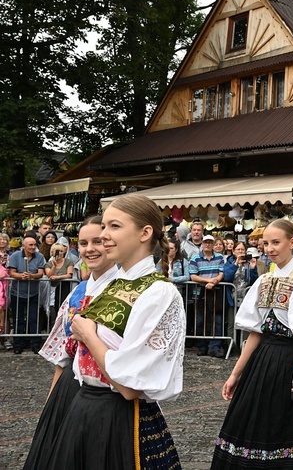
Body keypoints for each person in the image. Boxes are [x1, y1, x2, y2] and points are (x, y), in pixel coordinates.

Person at [46, 194, 185, 469]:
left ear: (145, 233)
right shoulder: (110, 285)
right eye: (105, 226)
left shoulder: (159, 292)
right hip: (84, 404)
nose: (105, 235)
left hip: (121, 417)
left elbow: (128, 387)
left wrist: (88, 335)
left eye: (115, 226)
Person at [211, 220, 293, 469]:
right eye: (266, 243)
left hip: (290, 361)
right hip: (261, 362)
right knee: (249, 419)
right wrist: (236, 374)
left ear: (292, 242)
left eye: (276, 242)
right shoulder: (263, 280)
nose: (269, 248)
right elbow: (255, 333)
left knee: (282, 423)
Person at [24, 216, 119, 470]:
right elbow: (63, 355)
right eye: (84, 243)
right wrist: (51, 399)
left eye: (98, 241)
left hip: (112, 393)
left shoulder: (128, 291)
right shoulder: (77, 293)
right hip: (70, 388)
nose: (90, 249)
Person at [7, 234, 46, 353]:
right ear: (24, 246)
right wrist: (21, 276)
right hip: (17, 293)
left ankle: (35, 344)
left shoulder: (39, 256)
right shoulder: (15, 256)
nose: (33, 247)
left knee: (33, 319)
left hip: (33, 293)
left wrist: (31, 276)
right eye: (31, 245)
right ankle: (18, 345)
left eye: (35, 245)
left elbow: (40, 273)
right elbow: (12, 272)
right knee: (18, 319)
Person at [190, 234, 226, 358]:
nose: (208, 245)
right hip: (200, 291)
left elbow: (221, 273)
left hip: (215, 291)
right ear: (202, 244)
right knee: (200, 320)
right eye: (206, 242)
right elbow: (193, 276)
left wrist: (214, 282)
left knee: (217, 320)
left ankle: (214, 347)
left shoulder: (220, 257)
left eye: (211, 242)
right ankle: (202, 346)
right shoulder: (195, 258)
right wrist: (208, 281)